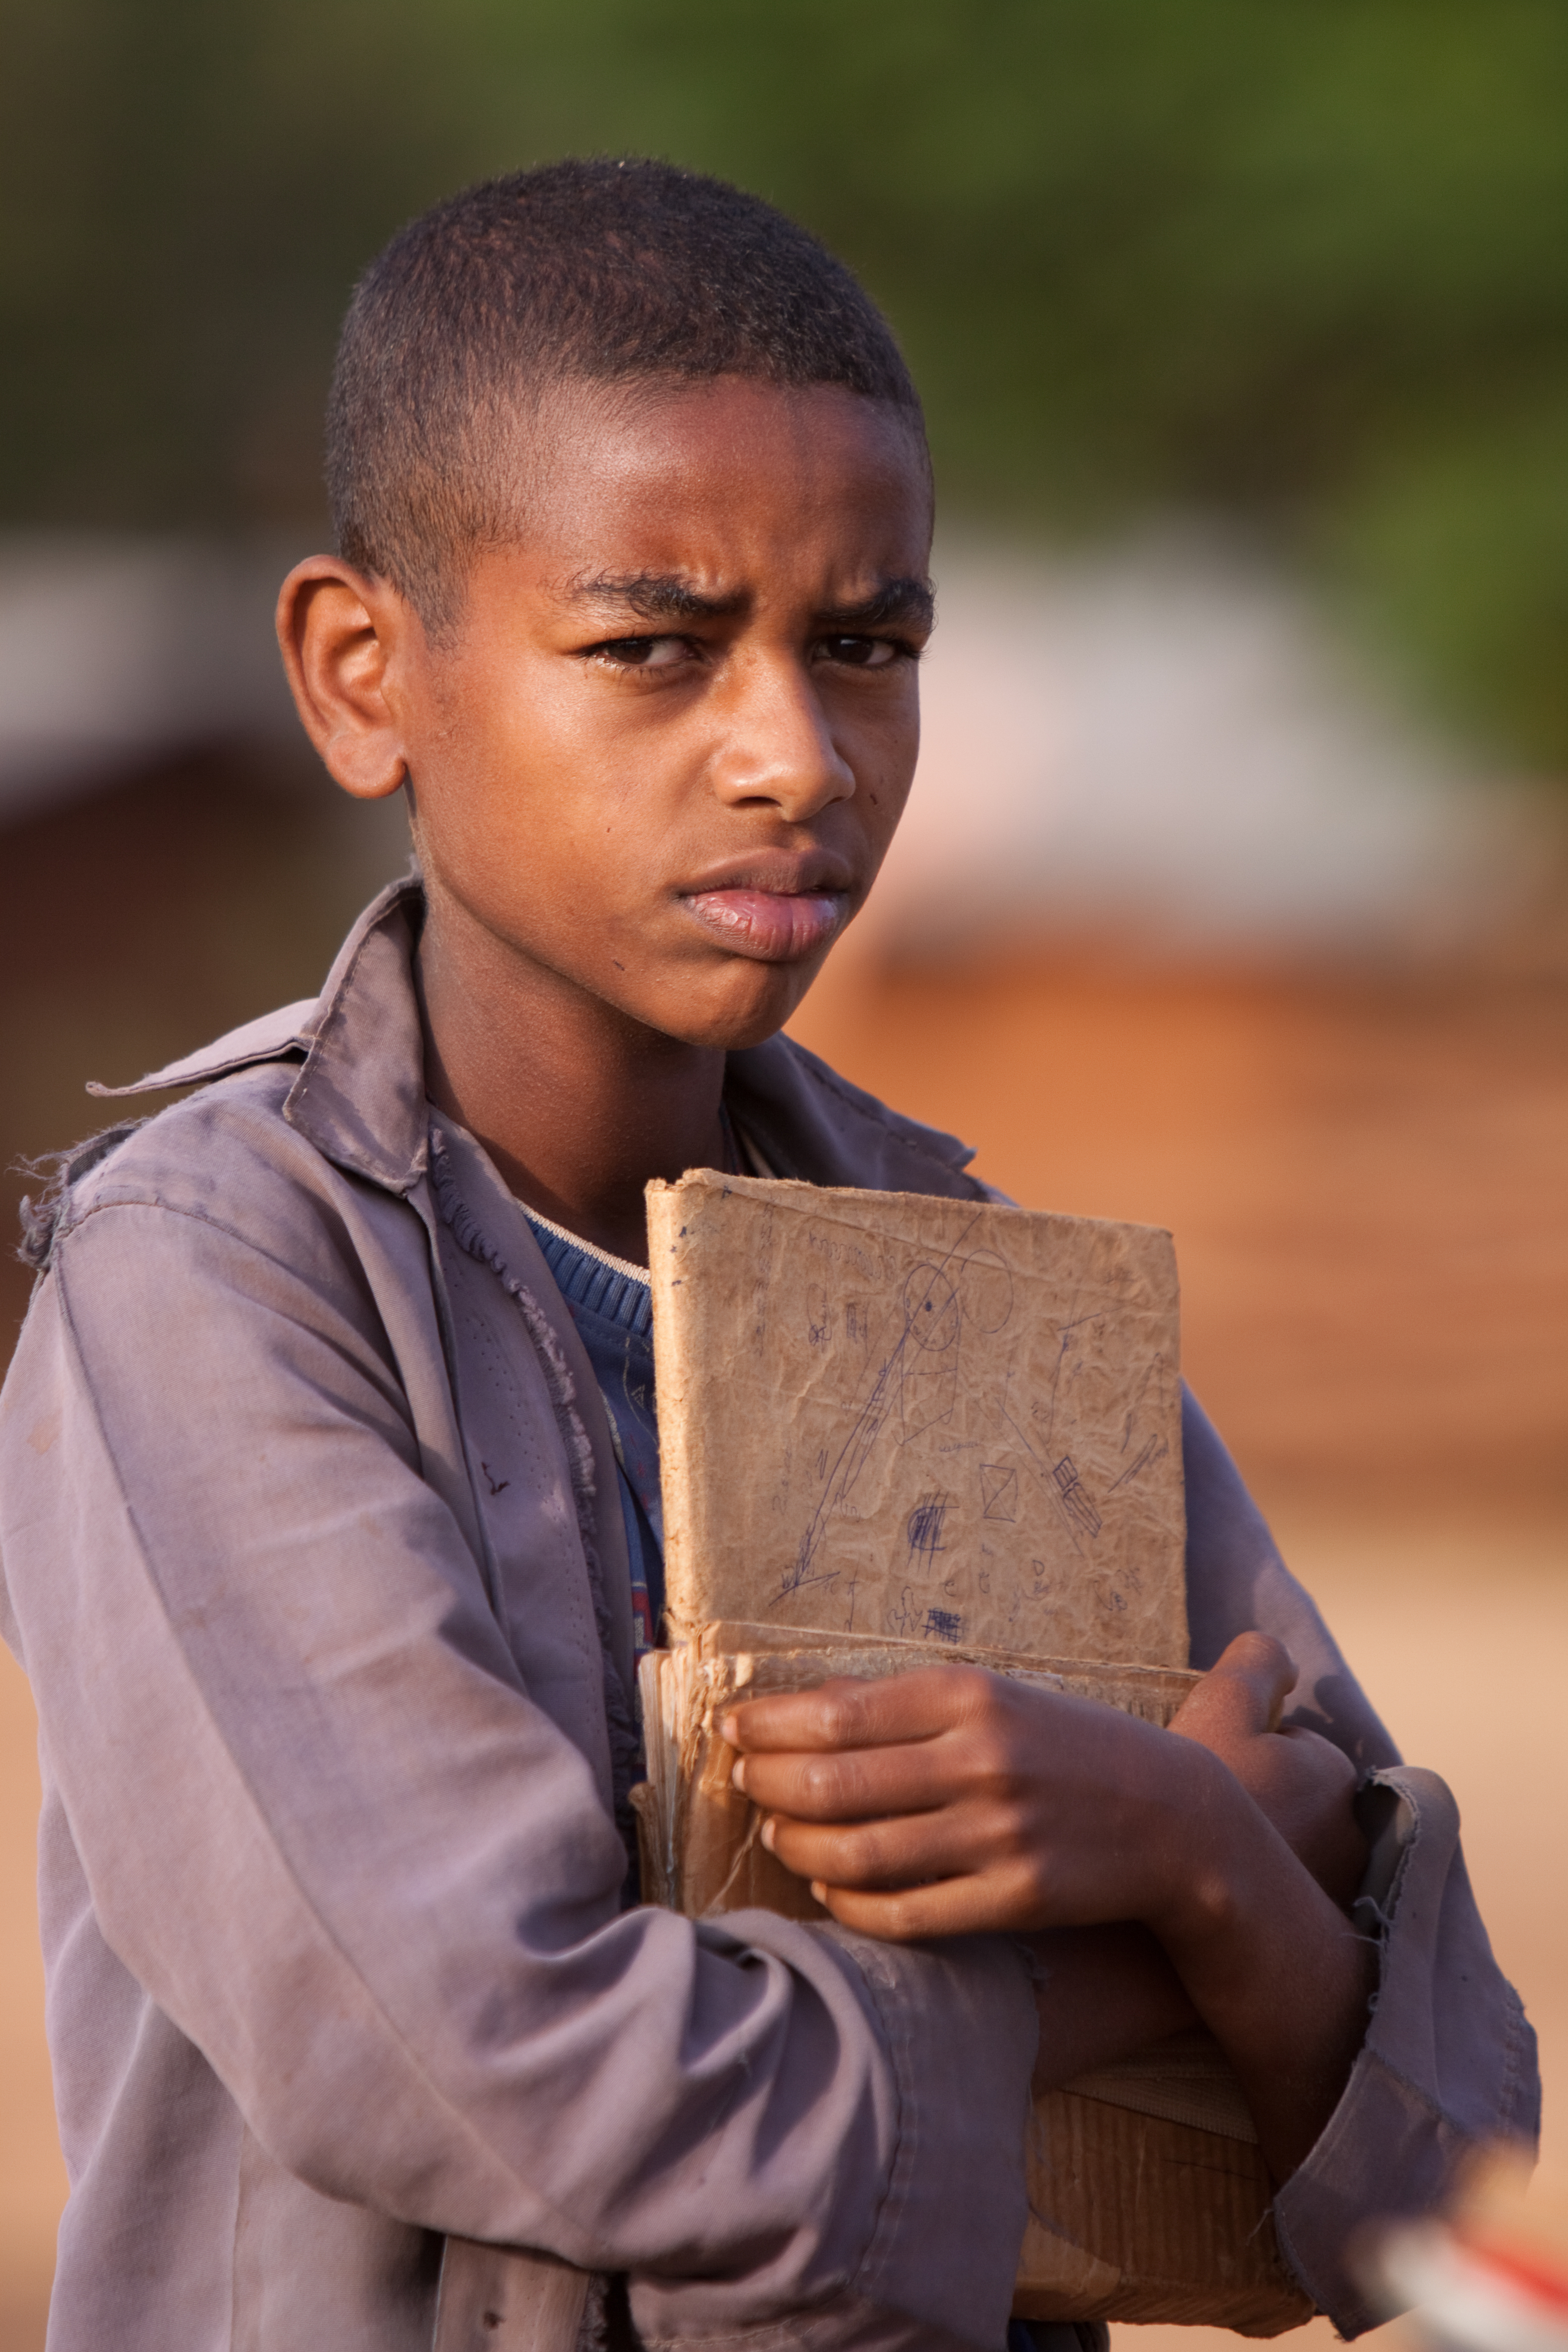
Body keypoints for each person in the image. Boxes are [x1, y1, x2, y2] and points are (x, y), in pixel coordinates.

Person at [0, 159, 1536, 2352]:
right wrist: (1160, 1917)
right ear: (365, 678)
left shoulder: (973, 1282)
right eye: (654, 648)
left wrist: (1183, 1848)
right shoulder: (221, 1279)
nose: (793, 756)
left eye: (869, 646)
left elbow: (1437, 2121)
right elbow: (513, 2079)